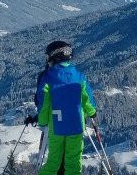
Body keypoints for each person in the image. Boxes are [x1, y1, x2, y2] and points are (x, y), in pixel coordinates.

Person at [36, 41, 98, 175]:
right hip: (76, 125)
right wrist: (92, 112)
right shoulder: (79, 76)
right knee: (73, 163)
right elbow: (87, 99)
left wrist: (42, 121)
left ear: (54, 56)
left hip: (56, 126)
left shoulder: (47, 77)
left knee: (53, 162)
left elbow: (44, 103)